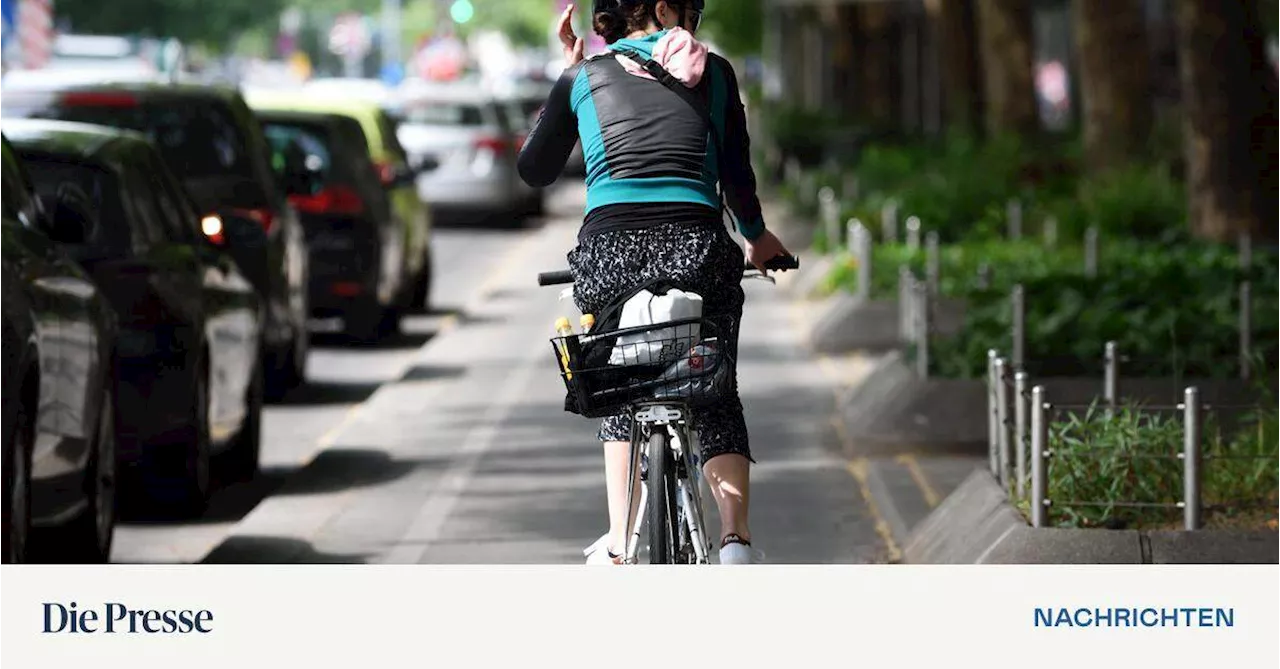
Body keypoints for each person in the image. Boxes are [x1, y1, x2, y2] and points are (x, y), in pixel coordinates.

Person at [518, 0, 789, 565]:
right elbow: (737, 173)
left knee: (622, 379)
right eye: (693, 8)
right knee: (713, 386)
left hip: (610, 251)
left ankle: (620, 542)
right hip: (699, 247)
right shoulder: (715, 72)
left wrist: (568, 77)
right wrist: (758, 239)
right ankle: (734, 541)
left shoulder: (583, 76)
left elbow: (534, 169)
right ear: (664, 9)